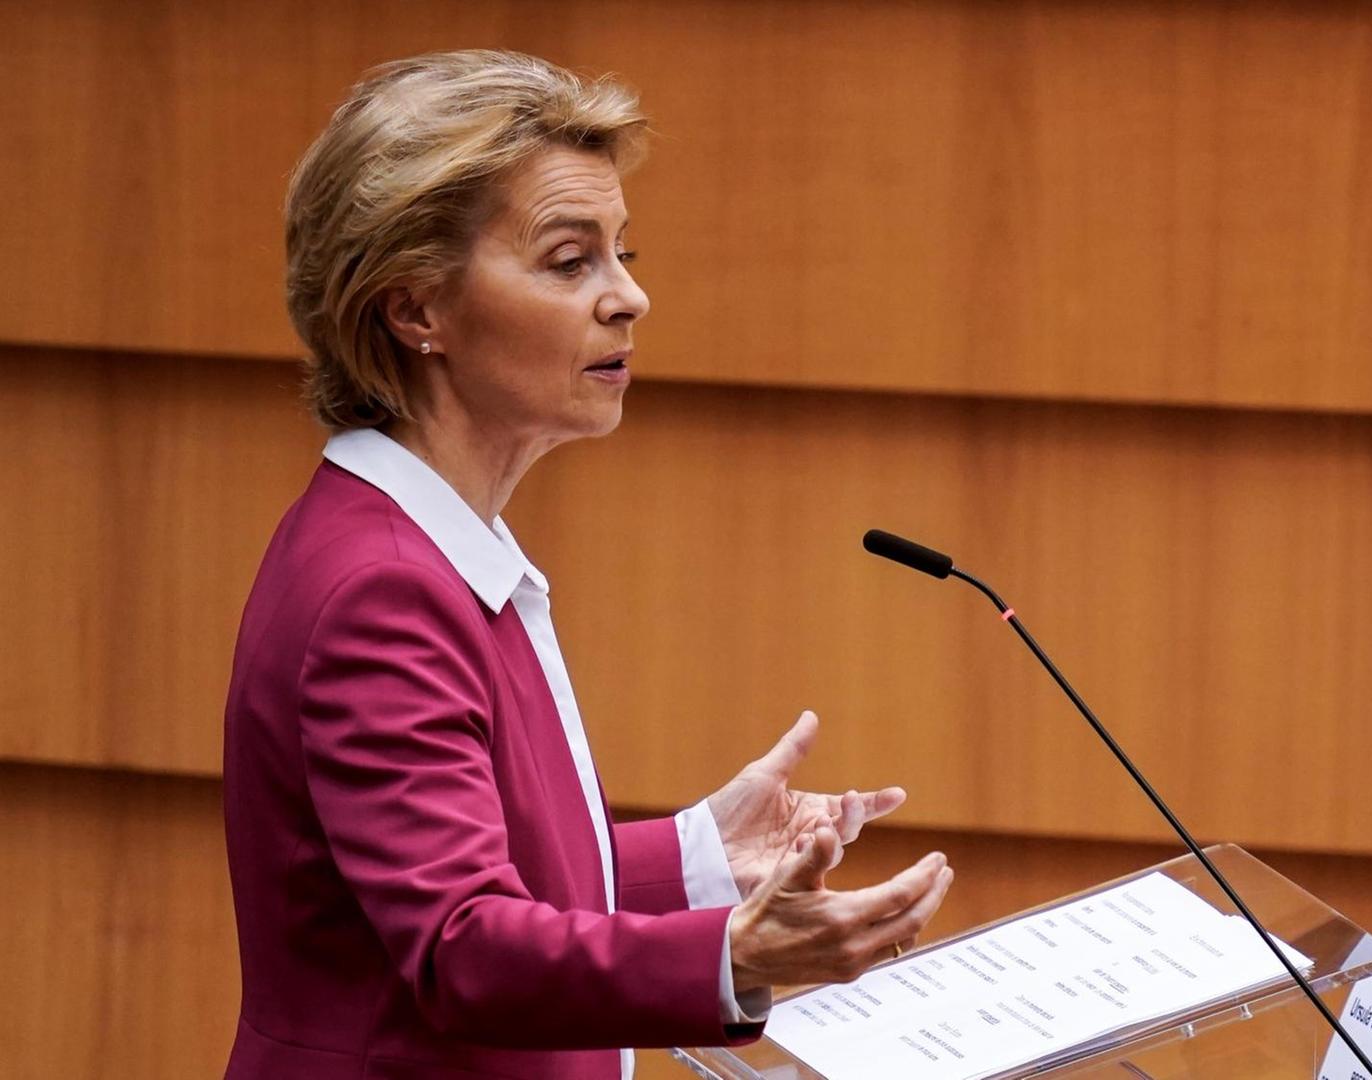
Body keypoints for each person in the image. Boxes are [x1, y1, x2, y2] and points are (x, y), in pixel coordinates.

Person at [222, 49, 952, 1080]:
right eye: (571, 263)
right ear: (413, 309)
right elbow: (462, 947)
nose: (630, 299)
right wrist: (728, 959)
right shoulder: (381, 588)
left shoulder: (432, 544)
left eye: (622, 253)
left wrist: (702, 853)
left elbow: (494, 872)